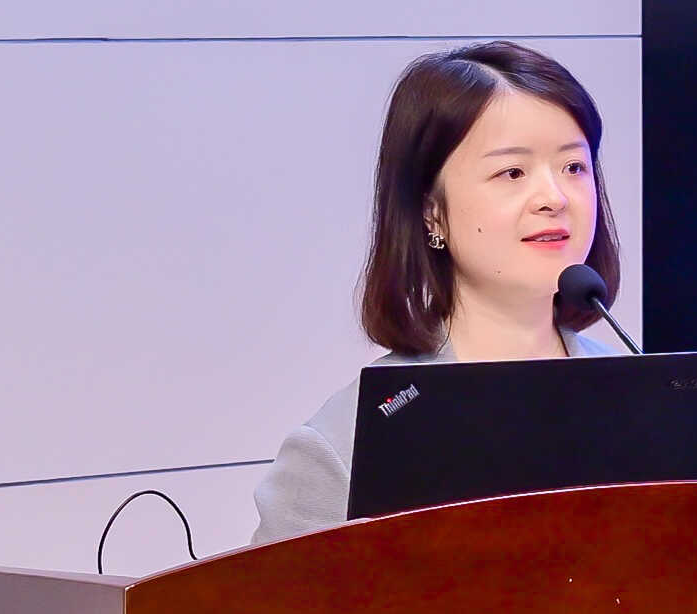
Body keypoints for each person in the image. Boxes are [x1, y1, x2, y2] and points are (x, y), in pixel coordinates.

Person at [242, 41, 623, 549]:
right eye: (512, 172)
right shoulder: (349, 441)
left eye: (573, 167)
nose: (554, 198)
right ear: (431, 212)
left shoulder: (641, 400)